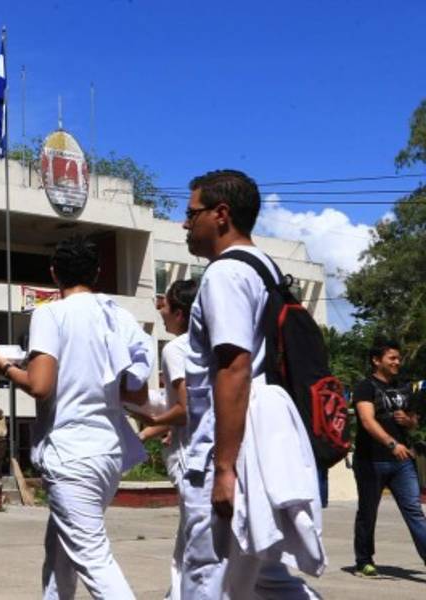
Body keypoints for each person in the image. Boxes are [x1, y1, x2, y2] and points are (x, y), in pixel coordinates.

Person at [180, 170, 324, 598]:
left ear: (221, 214)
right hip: (261, 437)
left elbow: (234, 367)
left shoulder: (225, 275)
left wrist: (224, 468)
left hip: (231, 447)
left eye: (192, 214)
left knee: (208, 575)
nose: (185, 224)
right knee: (265, 578)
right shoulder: (264, 267)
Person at [0, 235, 154, 600]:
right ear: (96, 272)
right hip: (109, 450)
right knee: (61, 553)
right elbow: (137, 393)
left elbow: (40, 385)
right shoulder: (118, 315)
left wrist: (6, 368)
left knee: (94, 560)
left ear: (54, 274)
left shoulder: (51, 313)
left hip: (72, 453)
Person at [129, 279, 198, 600]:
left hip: (190, 460)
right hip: (212, 455)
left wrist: (152, 419)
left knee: (192, 550)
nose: (161, 311)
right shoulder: (210, 346)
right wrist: (149, 430)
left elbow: (184, 410)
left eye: (165, 305)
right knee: (192, 546)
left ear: (180, 313)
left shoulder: (175, 349)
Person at [351, 337, 426, 577]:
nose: (397, 362)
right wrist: (392, 443)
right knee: (368, 512)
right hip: (370, 461)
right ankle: (364, 560)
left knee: (414, 510)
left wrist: (409, 421)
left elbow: (414, 423)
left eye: (398, 358)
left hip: (402, 462)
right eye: (392, 358)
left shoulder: (405, 386)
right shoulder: (366, 386)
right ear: (376, 360)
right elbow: (366, 420)